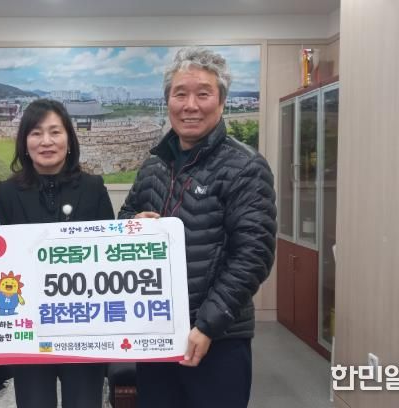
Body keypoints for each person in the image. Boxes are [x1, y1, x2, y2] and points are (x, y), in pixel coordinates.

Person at [118, 47, 277, 407]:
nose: (190, 105)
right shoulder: (154, 165)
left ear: (221, 101)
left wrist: (207, 325)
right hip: (156, 332)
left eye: (203, 93)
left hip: (216, 337)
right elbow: (124, 218)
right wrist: (132, 225)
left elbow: (253, 255)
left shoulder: (245, 167)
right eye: (180, 94)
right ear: (167, 101)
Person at [0, 99, 114, 408]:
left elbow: (109, 254)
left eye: (55, 132)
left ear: (69, 140)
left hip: (84, 325)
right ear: (25, 142)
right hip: (30, 326)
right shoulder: (6, 193)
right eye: (36, 133)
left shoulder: (93, 187)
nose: (46, 141)